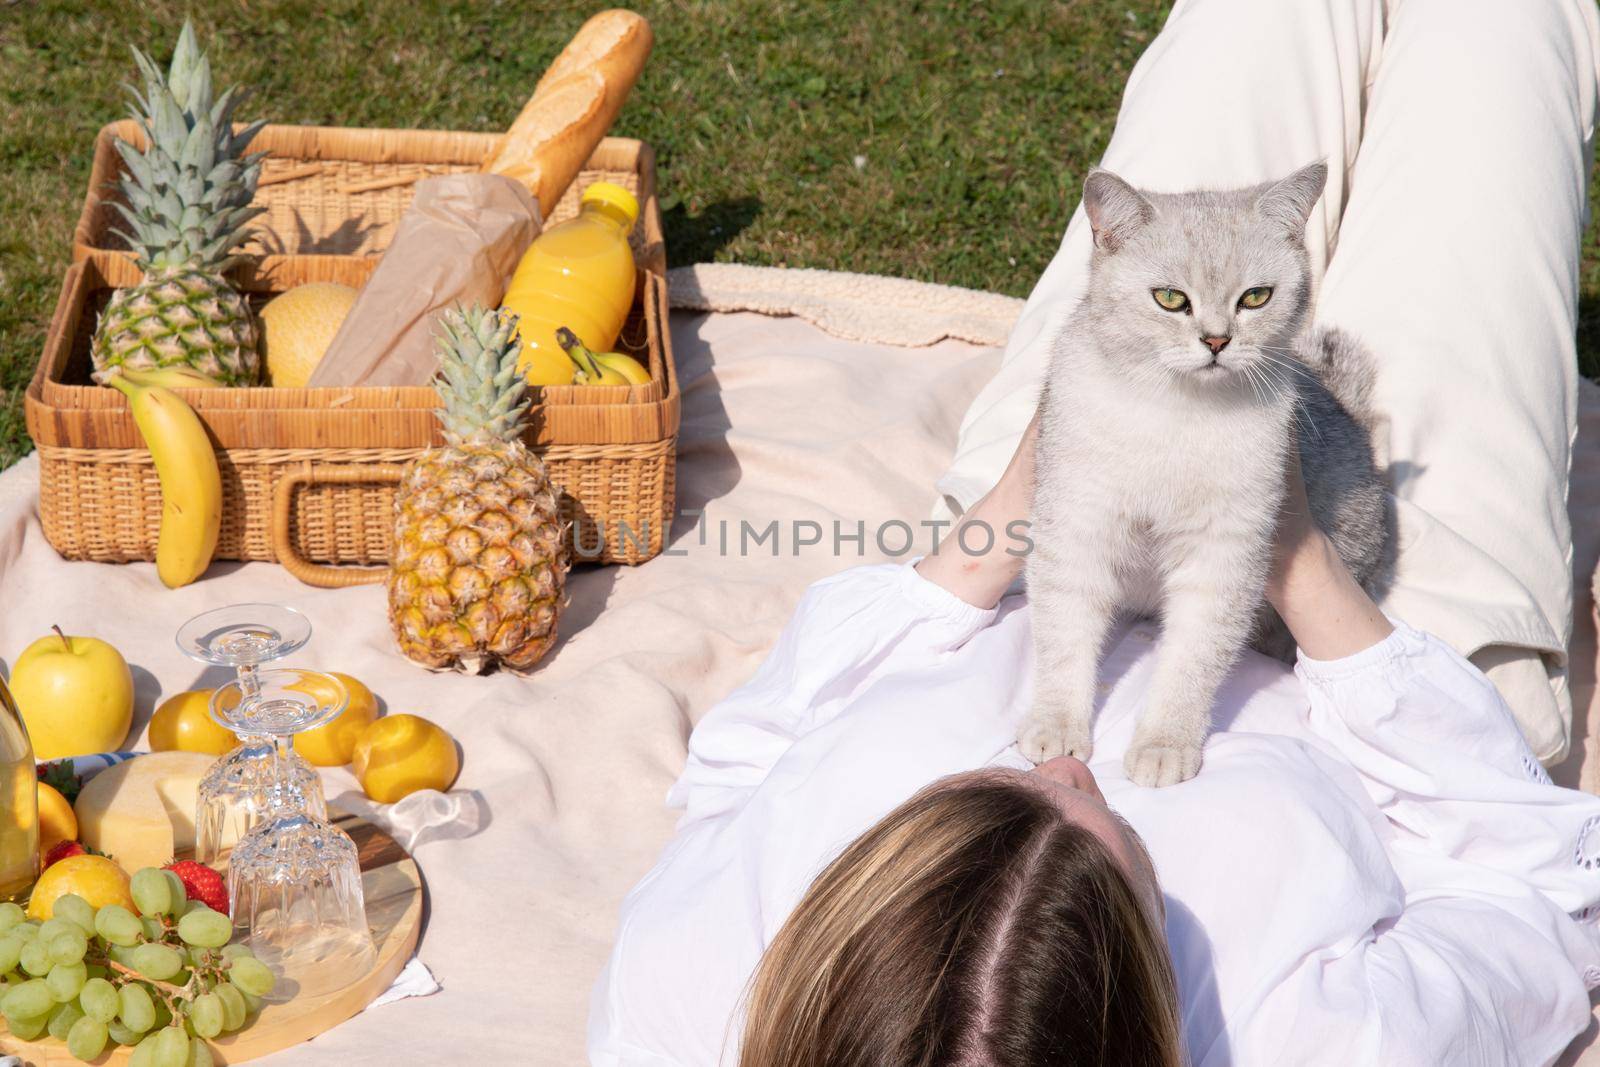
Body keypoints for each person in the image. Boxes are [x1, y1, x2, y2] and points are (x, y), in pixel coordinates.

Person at [589, 0, 1600, 1062]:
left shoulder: (691, 989)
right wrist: (1299, 561)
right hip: (1388, 631)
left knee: (1254, 26)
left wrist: (1008, 512)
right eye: (1126, 854)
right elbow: (1534, 889)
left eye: (986, 792)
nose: (1074, 766)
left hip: (1045, 513)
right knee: (1501, 37)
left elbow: (744, 757)